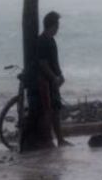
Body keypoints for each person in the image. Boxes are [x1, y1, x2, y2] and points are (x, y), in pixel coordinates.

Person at [36, 11, 73, 147]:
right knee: (48, 111)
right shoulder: (43, 41)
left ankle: (60, 139)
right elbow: (43, 63)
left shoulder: (51, 40)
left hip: (53, 80)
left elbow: (54, 62)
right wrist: (54, 78)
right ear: (51, 25)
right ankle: (49, 139)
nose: (58, 28)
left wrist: (60, 75)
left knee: (56, 110)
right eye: (57, 25)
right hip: (47, 82)